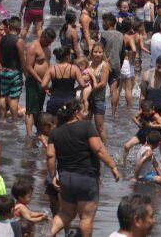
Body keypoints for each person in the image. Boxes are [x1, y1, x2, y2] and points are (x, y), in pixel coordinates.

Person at [45, 101, 120, 237]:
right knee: (86, 217)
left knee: (65, 213)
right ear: (76, 113)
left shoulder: (55, 132)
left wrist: (53, 176)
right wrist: (112, 165)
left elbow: (50, 155)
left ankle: (45, 234)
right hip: (86, 177)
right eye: (82, 111)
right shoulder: (86, 126)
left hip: (65, 178)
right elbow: (98, 149)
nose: (84, 113)